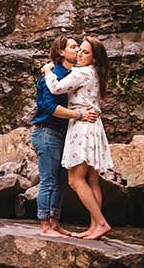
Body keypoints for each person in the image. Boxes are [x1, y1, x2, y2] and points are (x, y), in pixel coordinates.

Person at [44, 36, 116, 240]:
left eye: (85, 52)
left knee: (75, 180)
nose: (79, 54)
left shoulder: (83, 72)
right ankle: (94, 227)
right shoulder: (94, 73)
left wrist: (48, 72)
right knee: (92, 179)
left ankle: (101, 223)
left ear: (94, 58)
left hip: (82, 127)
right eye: (79, 50)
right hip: (94, 127)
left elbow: (56, 88)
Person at [31, 33, 100, 237]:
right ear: (61, 52)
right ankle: (45, 226)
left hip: (66, 133)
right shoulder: (50, 74)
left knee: (62, 181)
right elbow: (48, 107)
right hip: (47, 132)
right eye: (73, 47)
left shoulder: (76, 74)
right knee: (48, 180)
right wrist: (78, 114)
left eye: (79, 47)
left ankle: (54, 222)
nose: (77, 50)